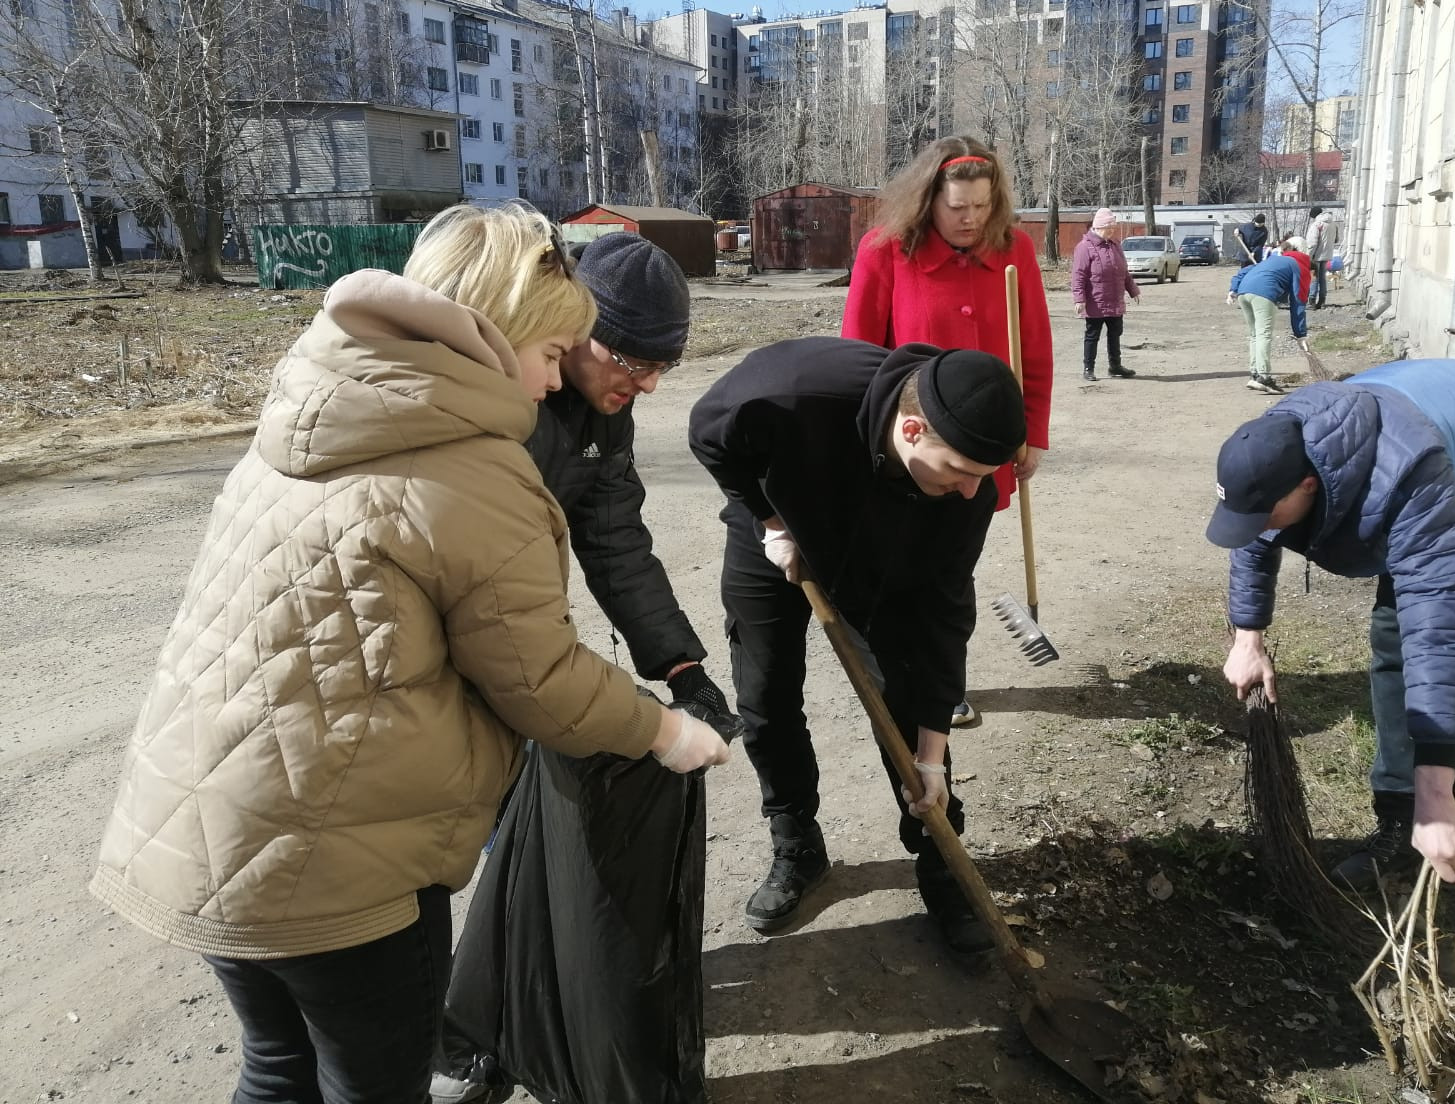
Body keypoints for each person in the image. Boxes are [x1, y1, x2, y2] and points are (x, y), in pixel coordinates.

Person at [89, 203, 731, 1104]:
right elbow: (540, 676)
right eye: (557, 354)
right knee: (375, 1082)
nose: (553, 384)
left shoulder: (316, 409)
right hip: (337, 864)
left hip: (202, 825)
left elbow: (609, 542)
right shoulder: (470, 463)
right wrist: (665, 733)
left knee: (278, 1069)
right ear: (503, 331)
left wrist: (677, 661)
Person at [430, 232, 738, 1104]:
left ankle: (505, 1012)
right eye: (632, 363)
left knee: (518, 830)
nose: (641, 387)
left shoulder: (607, 412)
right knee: (457, 834)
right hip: (456, 646)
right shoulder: (495, 399)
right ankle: (465, 1029)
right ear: (569, 330)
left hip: (520, 632)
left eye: (659, 371)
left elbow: (616, 540)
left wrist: (680, 666)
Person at [689, 338, 1027, 952]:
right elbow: (709, 432)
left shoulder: (962, 498)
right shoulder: (795, 394)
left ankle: (941, 862)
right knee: (765, 696)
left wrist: (930, 755)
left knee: (903, 693)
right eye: (961, 471)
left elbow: (942, 623)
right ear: (913, 428)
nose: (975, 491)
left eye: (986, 477)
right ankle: (797, 844)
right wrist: (768, 522)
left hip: (881, 557)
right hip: (778, 537)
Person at [1207, 360, 1455, 888]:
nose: (1261, 527)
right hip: (1436, 450)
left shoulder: (1405, 480)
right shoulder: (1274, 446)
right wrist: (1249, 638)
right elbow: (1255, 533)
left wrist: (1435, 792)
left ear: (1310, 486)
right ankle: (1396, 820)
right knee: (1391, 640)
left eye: (1268, 514)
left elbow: (1437, 626)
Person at [841, 134, 1052, 512]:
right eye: (957, 207)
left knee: (963, 556)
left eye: (981, 205)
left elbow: (1033, 350)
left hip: (987, 441)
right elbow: (855, 356)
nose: (970, 218)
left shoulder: (1014, 250)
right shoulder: (885, 250)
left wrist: (1033, 434)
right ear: (928, 202)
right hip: (914, 446)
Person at [1072, 207, 1140, 382]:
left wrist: (1133, 291)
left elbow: (1124, 272)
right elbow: (1078, 275)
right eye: (1108, 228)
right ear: (1098, 226)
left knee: (1115, 333)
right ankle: (1088, 368)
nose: (1112, 231)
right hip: (1095, 301)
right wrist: (1079, 299)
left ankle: (1115, 366)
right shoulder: (1084, 247)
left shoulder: (1115, 245)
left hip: (1115, 300)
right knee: (1092, 335)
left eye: (1113, 228)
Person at [1227, 246, 1309, 394]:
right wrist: (1300, 333)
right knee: (1264, 334)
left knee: (1254, 335)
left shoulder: (1274, 260)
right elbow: (1298, 300)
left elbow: (1243, 272)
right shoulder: (1301, 267)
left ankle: (1255, 373)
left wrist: (1233, 289)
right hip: (1264, 293)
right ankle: (1264, 377)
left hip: (1243, 292)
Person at [1305, 206, 1337, 309]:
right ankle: (1322, 301)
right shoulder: (1333, 224)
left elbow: (1313, 243)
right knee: (1322, 278)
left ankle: (1312, 301)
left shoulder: (1317, 225)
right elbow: (1336, 239)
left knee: (1314, 277)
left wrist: (1309, 256)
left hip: (1316, 255)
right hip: (1327, 254)